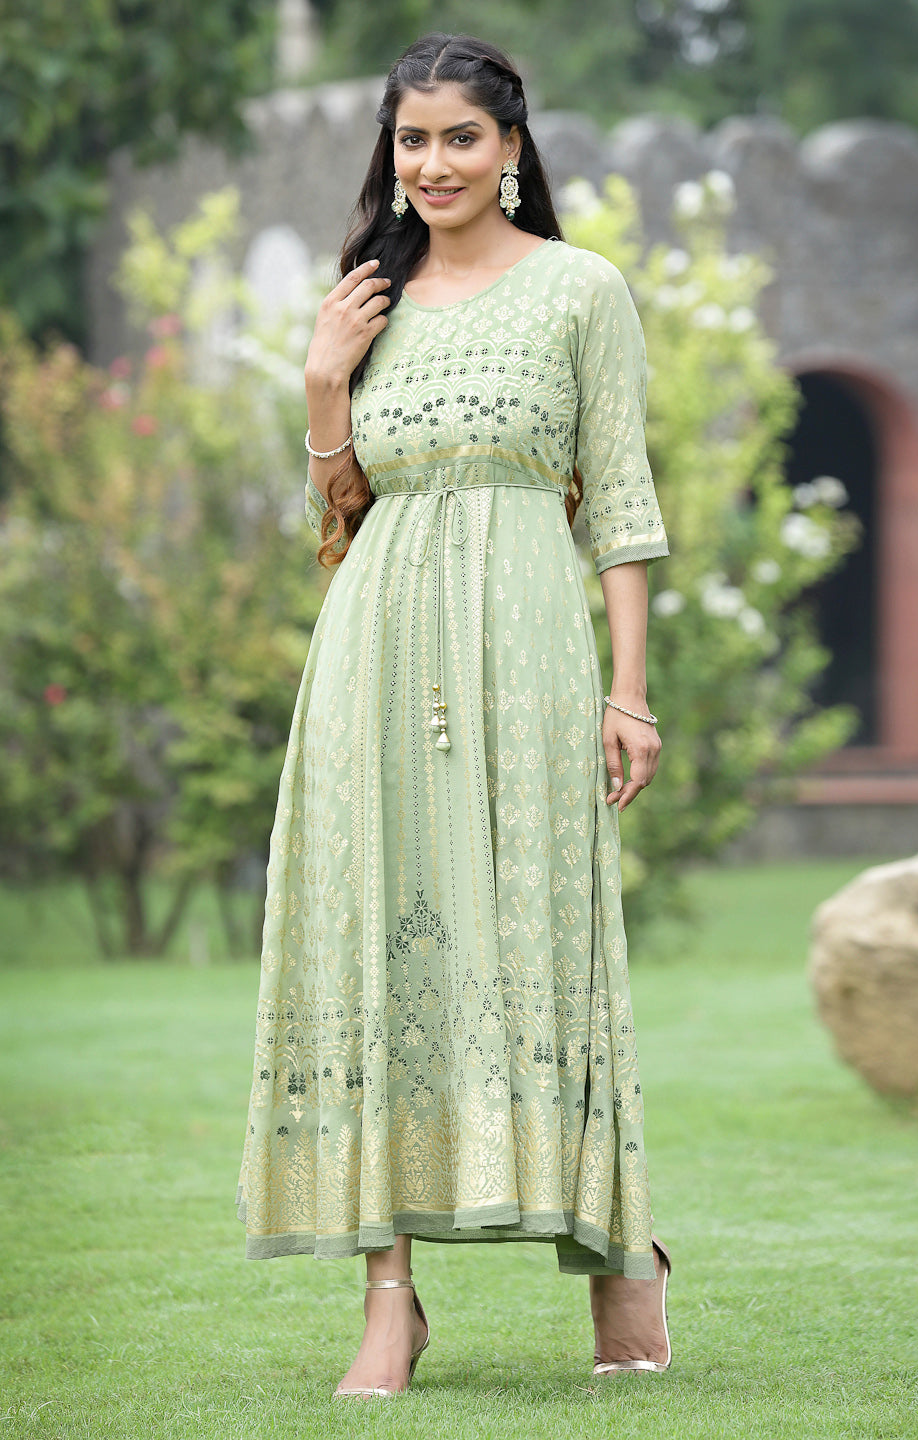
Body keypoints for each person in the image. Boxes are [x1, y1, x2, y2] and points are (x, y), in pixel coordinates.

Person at [235, 31, 672, 1398]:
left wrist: (629, 692)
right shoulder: (368, 299)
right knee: (380, 945)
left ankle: (624, 1258)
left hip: (530, 650)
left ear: (513, 147)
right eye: (412, 140)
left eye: (461, 138)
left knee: (547, 931)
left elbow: (622, 502)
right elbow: (340, 518)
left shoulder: (582, 291)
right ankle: (389, 1296)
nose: (434, 164)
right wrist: (324, 384)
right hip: (375, 650)